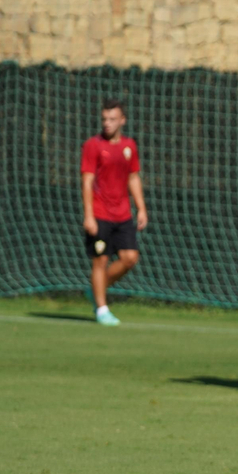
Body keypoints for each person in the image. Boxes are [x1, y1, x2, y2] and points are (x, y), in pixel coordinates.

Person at [80, 99, 148, 326]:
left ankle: (96, 290)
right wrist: (89, 215)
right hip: (100, 213)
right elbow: (87, 181)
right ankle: (101, 309)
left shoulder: (129, 146)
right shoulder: (93, 145)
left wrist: (141, 208)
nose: (107, 123)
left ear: (122, 121)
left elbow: (133, 177)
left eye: (112, 119)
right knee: (101, 260)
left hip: (123, 214)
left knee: (130, 258)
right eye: (104, 119)